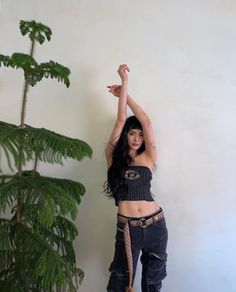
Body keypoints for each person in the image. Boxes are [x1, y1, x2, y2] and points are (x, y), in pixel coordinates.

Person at [104, 64, 168, 292]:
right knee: (120, 281)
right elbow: (121, 119)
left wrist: (126, 95)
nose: (137, 138)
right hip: (128, 228)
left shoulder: (149, 158)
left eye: (140, 135)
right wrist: (124, 83)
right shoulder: (112, 155)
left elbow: (147, 122)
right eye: (132, 133)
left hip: (156, 225)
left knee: (152, 283)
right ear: (125, 135)